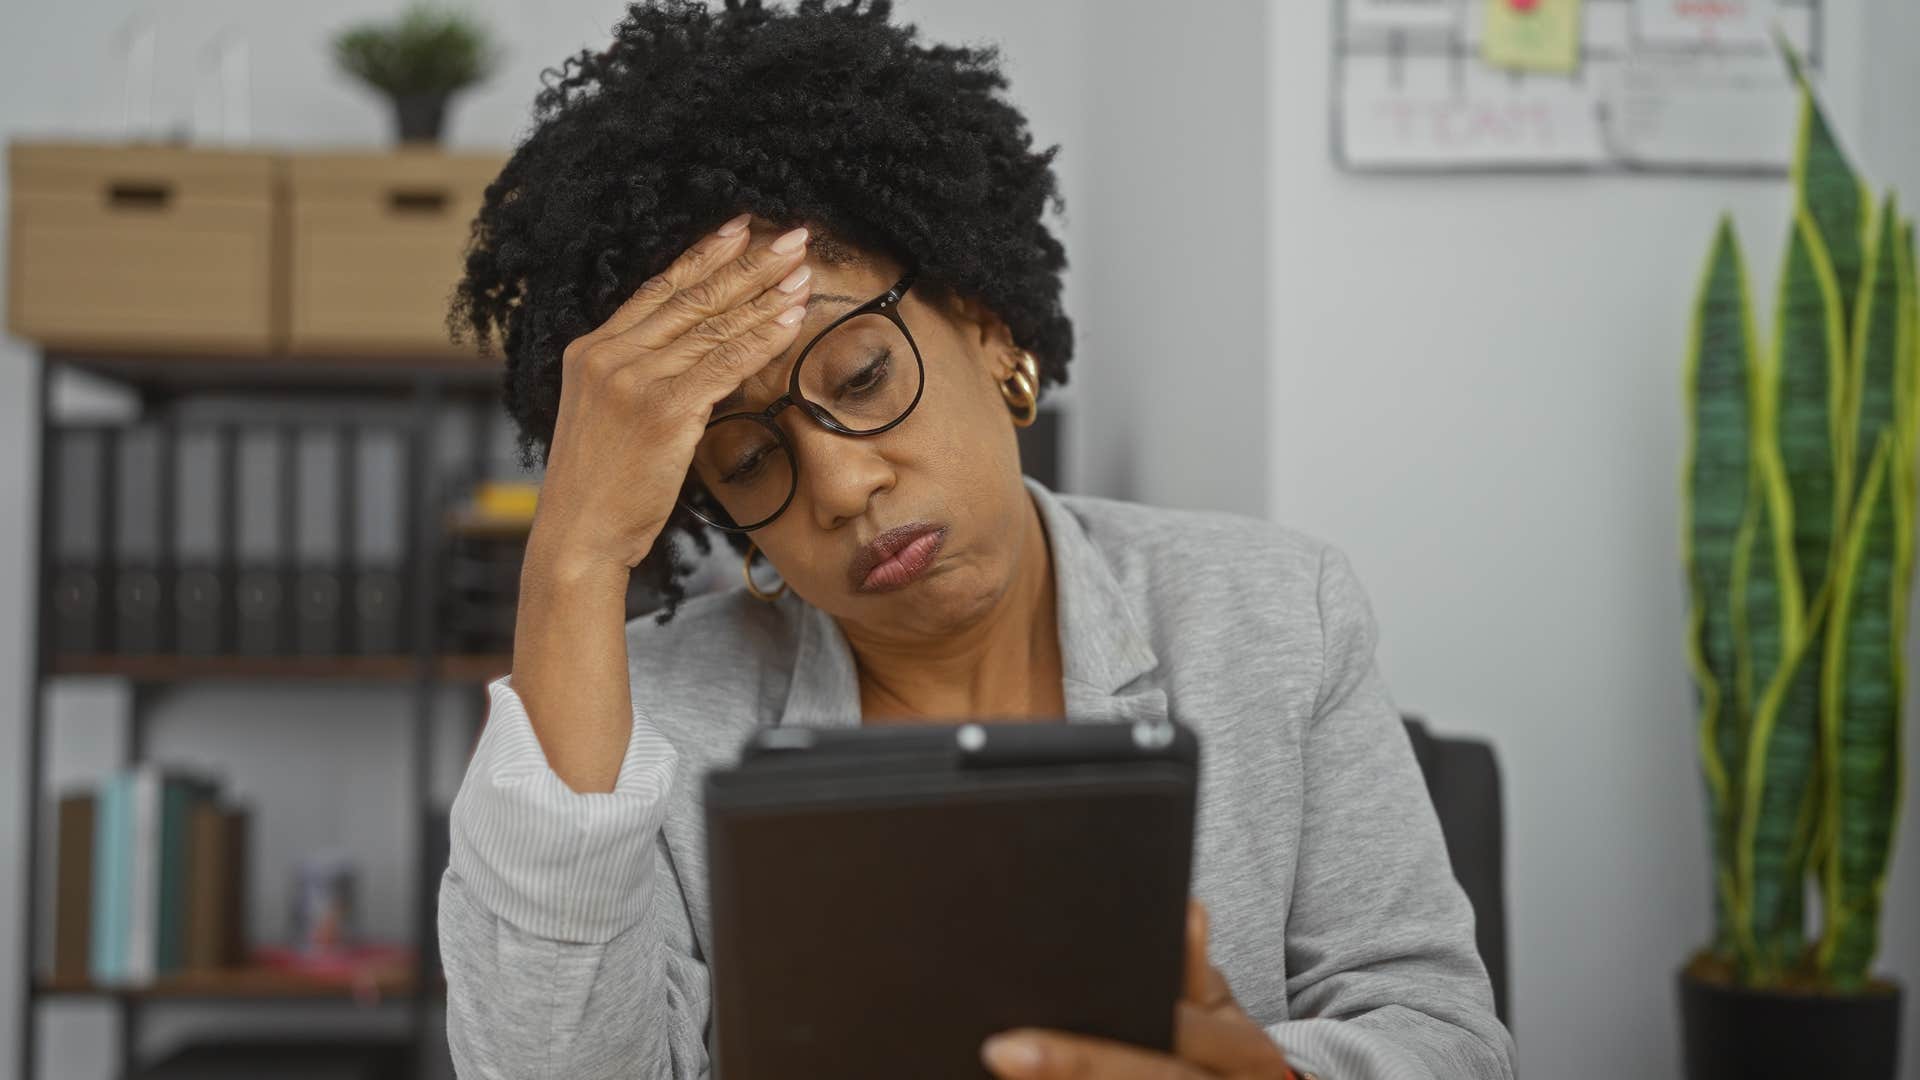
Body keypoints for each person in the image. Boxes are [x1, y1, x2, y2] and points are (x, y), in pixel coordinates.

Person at [438, 2, 1517, 1077]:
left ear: (990, 329)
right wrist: (573, 556)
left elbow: (1445, 1037)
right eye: (751, 460)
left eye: (862, 376)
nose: (843, 483)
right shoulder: (647, 727)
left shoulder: (1275, 612)